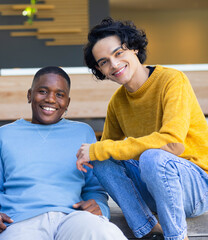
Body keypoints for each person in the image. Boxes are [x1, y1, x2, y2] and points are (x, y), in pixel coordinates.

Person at [76, 17, 208, 240]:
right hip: (154, 188)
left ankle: (177, 237)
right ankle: (148, 228)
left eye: (119, 53)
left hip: (195, 188)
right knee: (102, 157)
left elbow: (173, 143)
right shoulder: (117, 102)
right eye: (104, 62)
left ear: (134, 48)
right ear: (101, 70)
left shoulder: (172, 80)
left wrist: (99, 149)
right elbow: (109, 158)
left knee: (152, 157)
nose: (114, 65)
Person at [0, 66, 127, 240]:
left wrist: (100, 207)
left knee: (105, 233)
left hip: (72, 218)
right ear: (29, 95)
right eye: (43, 91)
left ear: (68, 102)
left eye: (60, 94)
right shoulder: (3, 135)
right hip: (20, 222)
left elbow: (94, 188)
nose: (51, 99)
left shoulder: (83, 133)